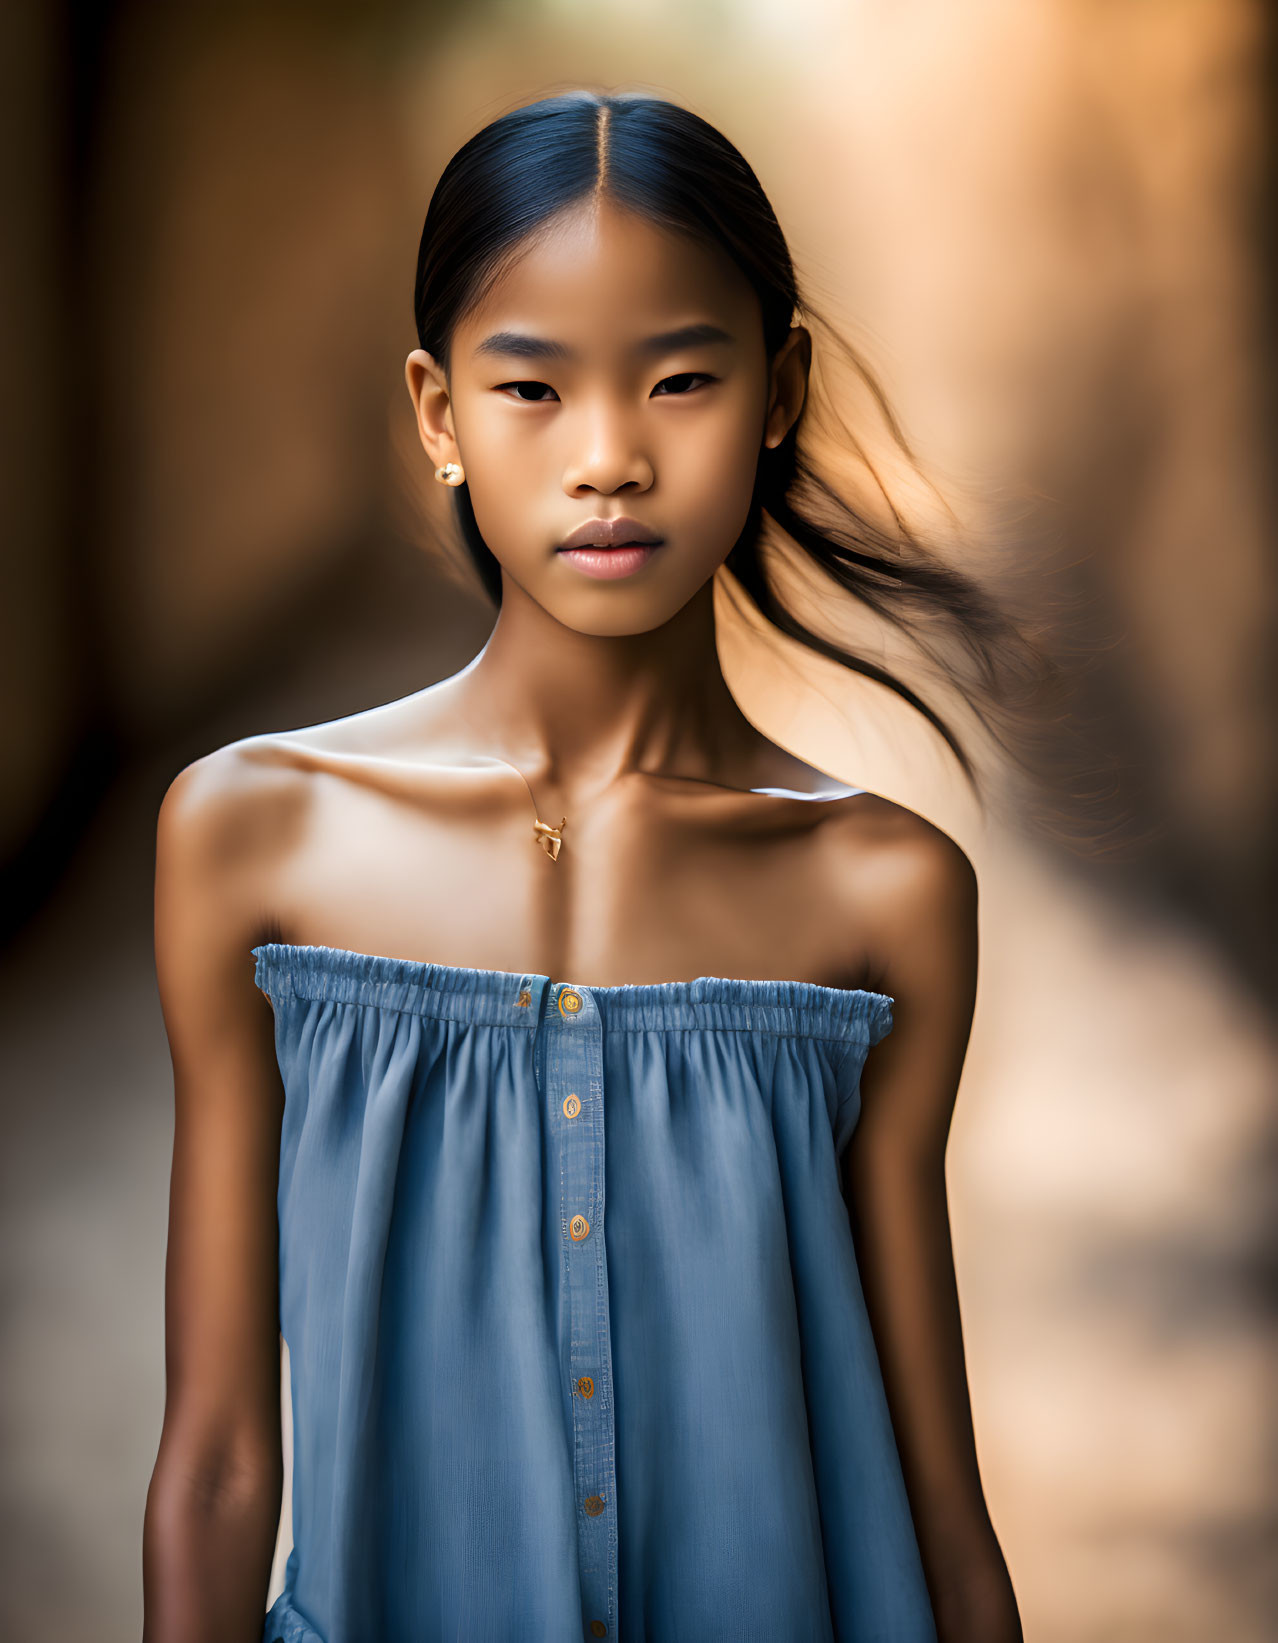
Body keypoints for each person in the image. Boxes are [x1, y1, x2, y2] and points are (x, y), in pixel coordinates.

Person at [142, 89, 1025, 1643]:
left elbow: (933, 1505)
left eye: (681, 378)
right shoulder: (251, 837)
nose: (609, 458)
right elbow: (216, 1462)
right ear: (435, 413)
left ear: (778, 391)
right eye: (531, 389)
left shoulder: (882, 895)